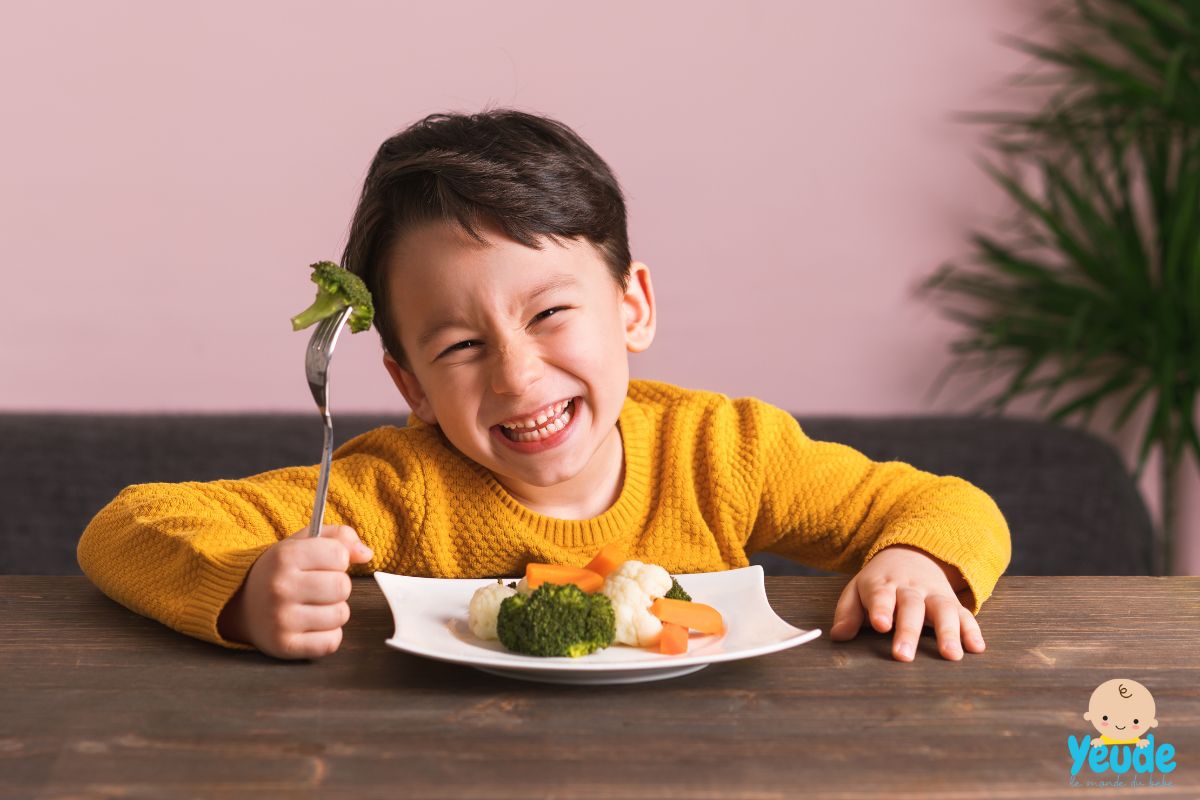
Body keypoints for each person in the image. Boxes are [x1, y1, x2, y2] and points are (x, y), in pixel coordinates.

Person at [78, 107, 1011, 663]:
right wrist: (245, 593)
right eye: (458, 347)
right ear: (408, 382)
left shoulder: (725, 452)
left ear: (632, 306)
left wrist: (921, 560)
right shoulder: (392, 493)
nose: (519, 376)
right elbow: (125, 529)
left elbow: (943, 502)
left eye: (550, 314)